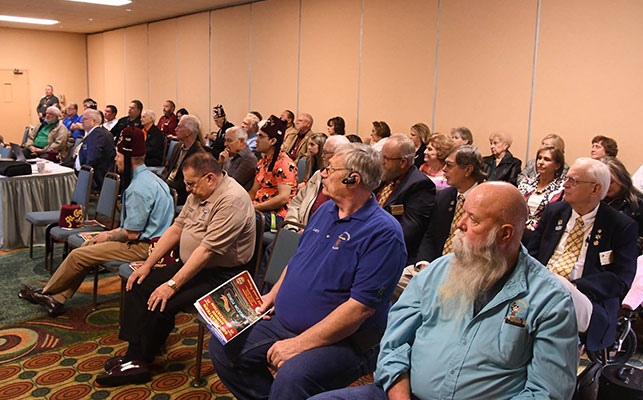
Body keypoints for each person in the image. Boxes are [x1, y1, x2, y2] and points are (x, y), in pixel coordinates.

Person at [310, 182, 578, 400]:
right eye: (463, 213)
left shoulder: (549, 299)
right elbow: (394, 343)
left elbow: (547, 392)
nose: (459, 225)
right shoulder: (437, 271)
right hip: (403, 393)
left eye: (473, 220)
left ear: (504, 234)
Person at [209, 143, 407, 400]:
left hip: (346, 339)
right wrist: (271, 296)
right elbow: (297, 260)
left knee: (292, 376)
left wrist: (299, 344)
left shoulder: (383, 233)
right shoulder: (325, 210)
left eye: (329, 169)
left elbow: (360, 309)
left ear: (352, 179)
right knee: (224, 345)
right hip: (285, 322)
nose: (322, 174)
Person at [95, 152, 256, 386]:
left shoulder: (232, 200)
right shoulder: (200, 191)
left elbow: (207, 251)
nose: (187, 189)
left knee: (162, 301)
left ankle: (143, 360)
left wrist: (171, 285)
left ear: (210, 178)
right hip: (193, 266)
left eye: (191, 184)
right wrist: (147, 266)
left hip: (223, 275)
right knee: (139, 283)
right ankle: (134, 355)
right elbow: (176, 229)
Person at [19, 127, 174, 315]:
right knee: (87, 248)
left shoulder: (138, 188)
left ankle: (47, 293)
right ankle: (56, 298)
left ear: (127, 157)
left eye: (117, 155)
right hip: (155, 243)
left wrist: (108, 236)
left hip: (146, 248)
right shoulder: (152, 179)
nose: (115, 159)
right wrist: (107, 235)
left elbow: (131, 233)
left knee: (78, 255)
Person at [526, 157, 638, 351]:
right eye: (566, 179)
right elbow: (532, 256)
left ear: (595, 189)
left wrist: (575, 286)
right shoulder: (554, 212)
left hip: (586, 298)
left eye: (573, 181)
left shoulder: (620, 226)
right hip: (540, 289)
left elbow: (621, 280)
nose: (565, 185)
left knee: (558, 294)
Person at [414, 145, 487, 265]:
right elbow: (430, 236)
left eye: (449, 165)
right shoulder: (443, 197)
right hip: (436, 265)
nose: (443, 169)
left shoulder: (487, 201)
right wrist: (424, 264)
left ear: (468, 170)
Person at [377, 134, 435, 263]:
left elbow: (407, 231)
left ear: (403, 162)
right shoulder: (384, 177)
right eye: (381, 156)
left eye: (386, 158)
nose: (381, 161)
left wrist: (370, 240)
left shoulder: (420, 185)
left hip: (391, 252)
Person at [284, 135, 350, 227]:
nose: (322, 155)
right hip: (298, 229)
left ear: (339, 154)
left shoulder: (347, 186)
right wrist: (292, 227)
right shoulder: (318, 175)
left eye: (326, 152)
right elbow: (296, 203)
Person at [249, 115, 297, 232]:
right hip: (259, 210)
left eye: (261, 136)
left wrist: (254, 208)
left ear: (273, 141)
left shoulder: (284, 163)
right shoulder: (263, 162)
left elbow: (283, 198)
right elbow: (253, 191)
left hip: (277, 216)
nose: (256, 139)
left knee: (243, 218)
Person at [518, 145, 566, 231]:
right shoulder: (526, 183)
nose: (540, 162)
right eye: (539, 158)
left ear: (557, 166)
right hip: (521, 230)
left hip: (545, 231)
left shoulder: (562, 187)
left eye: (546, 159)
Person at [161, 115, 206, 206]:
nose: (175, 129)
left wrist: (166, 183)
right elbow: (168, 168)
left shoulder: (198, 155)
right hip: (167, 185)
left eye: (179, 126)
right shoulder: (177, 147)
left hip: (181, 193)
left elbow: (189, 183)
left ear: (188, 132)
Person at [602, 157, 643, 248]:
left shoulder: (638, 203)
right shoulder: (594, 200)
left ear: (621, 179)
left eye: (611, 182)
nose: (606, 186)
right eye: (603, 182)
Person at [76, 109, 116, 190]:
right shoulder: (95, 133)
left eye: (85, 119)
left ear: (95, 121)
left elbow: (92, 158)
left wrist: (82, 173)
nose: (81, 121)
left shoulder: (99, 135)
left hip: (93, 177)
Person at [219, 126, 257, 191]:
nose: (225, 144)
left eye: (229, 141)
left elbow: (231, 184)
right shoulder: (230, 154)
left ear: (241, 141)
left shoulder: (249, 159)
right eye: (225, 140)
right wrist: (220, 163)